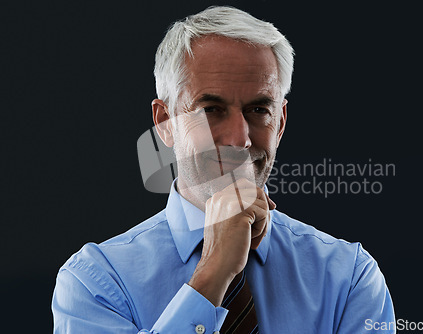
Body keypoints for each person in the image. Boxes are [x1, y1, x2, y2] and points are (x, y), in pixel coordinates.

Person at [52, 6, 395, 334]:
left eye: (259, 109)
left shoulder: (348, 278)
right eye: (212, 109)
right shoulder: (94, 281)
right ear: (165, 122)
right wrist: (212, 273)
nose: (239, 139)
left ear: (280, 124)